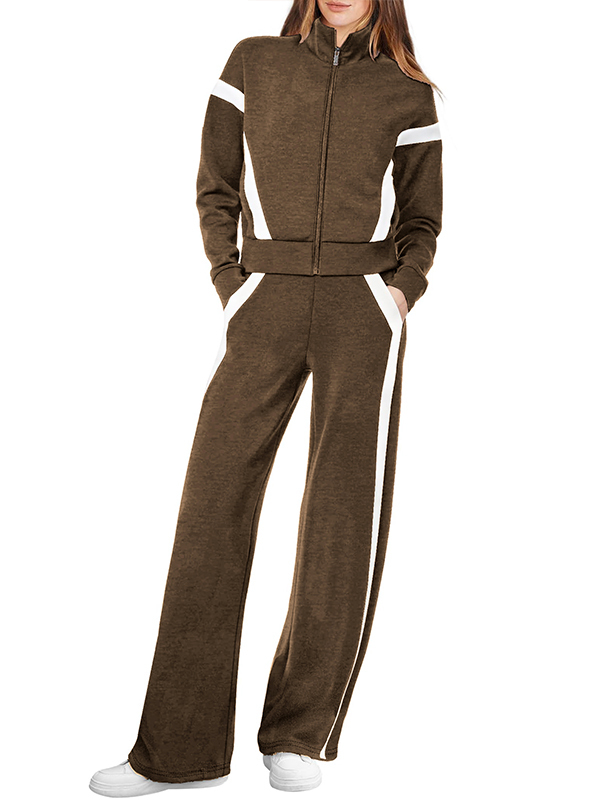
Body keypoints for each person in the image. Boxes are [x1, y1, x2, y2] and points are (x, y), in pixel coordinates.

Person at [89, 0, 443, 794]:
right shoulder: (254, 61)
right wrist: (232, 282)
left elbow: (423, 219)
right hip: (266, 298)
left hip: (362, 308)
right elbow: (214, 184)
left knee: (342, 520)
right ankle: (174, 750)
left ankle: (300, 734)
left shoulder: (408, 92)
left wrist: (397, 295)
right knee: (211, 507)